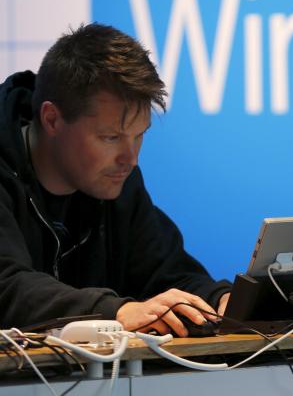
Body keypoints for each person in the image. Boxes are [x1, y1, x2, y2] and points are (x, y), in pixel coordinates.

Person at [0, 23, 230, 336]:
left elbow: (167, 274)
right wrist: (117, 312)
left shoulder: (117, 181)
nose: (130, 158)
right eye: (111, 137)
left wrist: (220, 300)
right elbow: (7, 287)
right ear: (52, 119)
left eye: (139, 136)